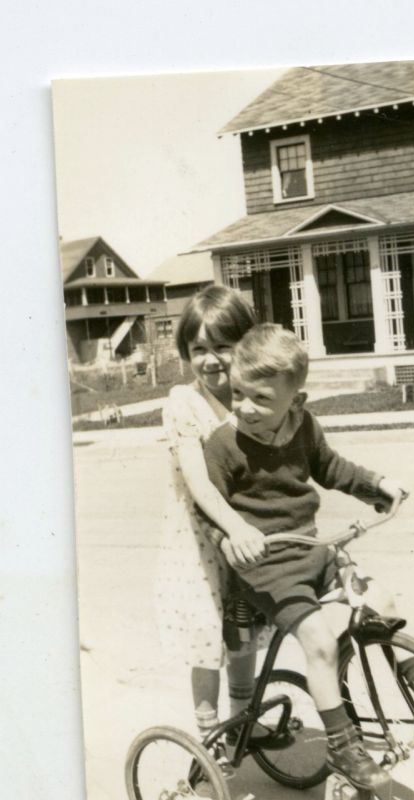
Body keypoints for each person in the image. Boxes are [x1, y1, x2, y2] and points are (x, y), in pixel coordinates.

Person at [202, 323, 414, 790]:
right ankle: (340, 746)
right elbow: (209, 511)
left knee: (382, 598)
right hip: (267, 569)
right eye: (237, 394)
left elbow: (332, 468)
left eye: (260, 398)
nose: (244, 408)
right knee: (319, 640)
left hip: (313, 551)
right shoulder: (222, 445)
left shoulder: (304, 427)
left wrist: (377, 485)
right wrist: (232, 540)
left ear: (296, 402)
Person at [154, 285, 282, 751]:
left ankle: (243, 721)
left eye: (222, 347)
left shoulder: (252, 398)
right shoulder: (183, 403)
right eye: (198, 349)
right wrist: (236, 526)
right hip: (201, 541)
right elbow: (198, 482)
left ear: (245, 346)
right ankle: (210, 737)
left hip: (245, 533)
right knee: (209, 636)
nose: (210, 360)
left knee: (243, 628)